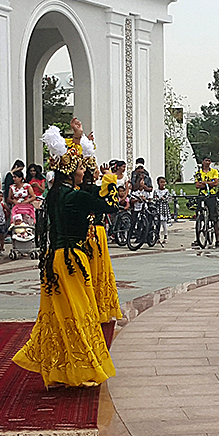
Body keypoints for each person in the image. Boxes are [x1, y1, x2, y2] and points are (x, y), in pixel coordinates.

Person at [12, 126, 118, 387]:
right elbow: (110, 205)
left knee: (59, 315)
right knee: (79, 314)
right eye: (80, 168)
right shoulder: (73, 197)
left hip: (55, 259)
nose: (83, 171)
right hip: (72, 261)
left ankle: (61, 368)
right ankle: (82, 366)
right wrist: (110, 181)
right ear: (71, 172)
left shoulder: (55, 195)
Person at [81, 136, 122, 334]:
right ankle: (97, 308)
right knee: (97, 271)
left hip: (81, 233)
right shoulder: (95, 191)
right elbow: (113, 203)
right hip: (95, 234)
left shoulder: (77, 190)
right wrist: (109, 178)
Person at [194, 156, 219, 247]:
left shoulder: (214, 171)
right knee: (199, 215)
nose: (208, 162)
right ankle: (198, 238)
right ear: (203, 162)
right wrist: (209, 183)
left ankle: (217, 239)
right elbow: (197, 185)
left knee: (214, 217)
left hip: (211, 194)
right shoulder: (199, 173)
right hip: (202, 194)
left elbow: (216, 183)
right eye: (206, 160)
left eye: (209, 161)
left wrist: (204, 183)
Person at [153, 176, 173, 246]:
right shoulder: (156, 191)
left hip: (164, 209)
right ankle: (157, 237)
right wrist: (158, 199)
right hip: (158, 208)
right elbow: (155, 198)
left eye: (164, 182)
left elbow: (166, 199)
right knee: (157, 223)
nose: (163, 184)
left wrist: (161, 199)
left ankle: (165, 237)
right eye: (161, 182)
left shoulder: (166, 191)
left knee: (164, 224)